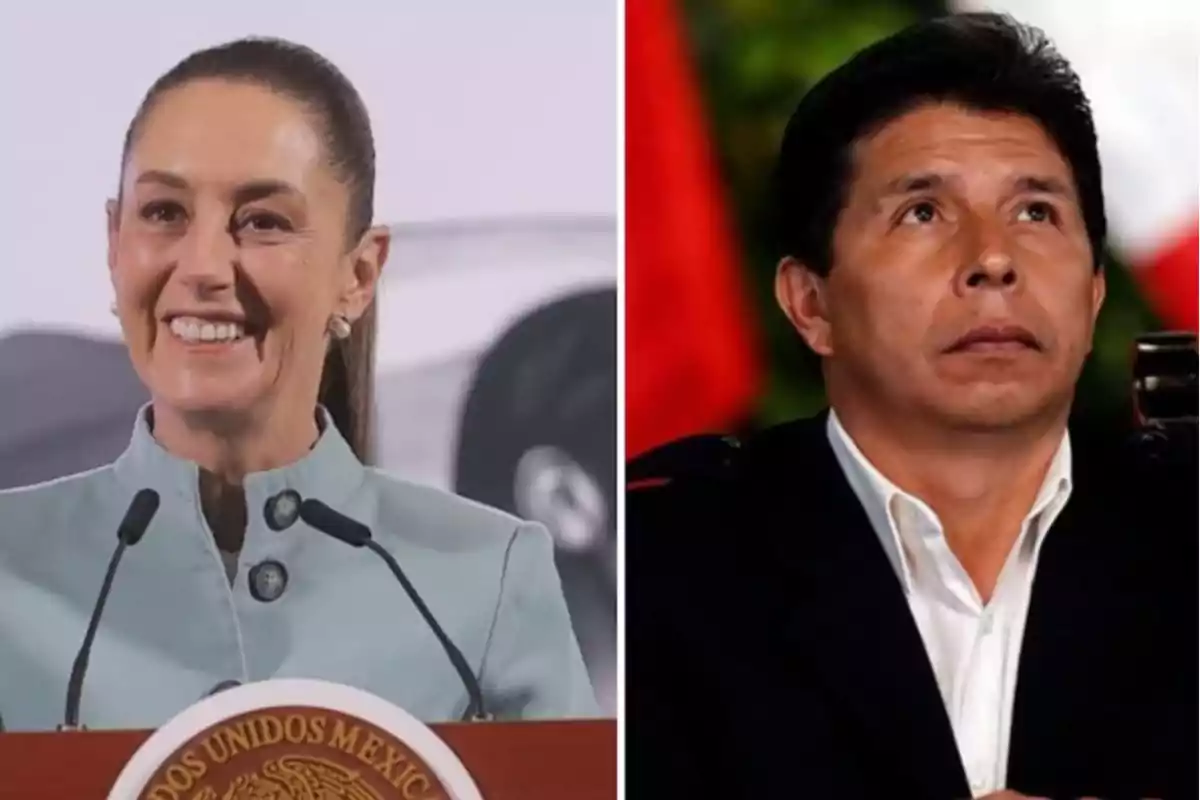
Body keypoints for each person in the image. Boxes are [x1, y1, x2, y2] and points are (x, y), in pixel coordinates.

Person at [626, 13, 1195, 800]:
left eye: (1037, 212)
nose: (993, 259)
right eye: (922, 213)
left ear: (1094, 294)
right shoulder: (649, 571)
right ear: (810, 302)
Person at [0, 37, 596, 732]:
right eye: (164, 212)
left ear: (359, 274)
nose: (203, 266)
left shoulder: (488, 574)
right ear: (113, 242)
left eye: (262, 222)